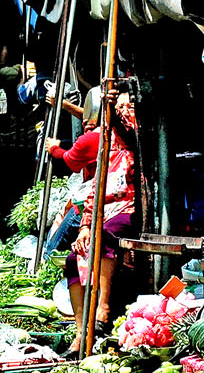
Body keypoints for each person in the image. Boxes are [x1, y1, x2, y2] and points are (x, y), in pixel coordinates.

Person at [45, 91, 138, 353]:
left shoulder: (131, 147)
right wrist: (85, 226)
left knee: (107, 234)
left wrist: (112, 108)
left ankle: (103, 307)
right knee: (75, 258)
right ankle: (80, 332)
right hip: (102, 211)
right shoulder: (104, 149)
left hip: (127, 208)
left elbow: (126, 128)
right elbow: (94, 193)